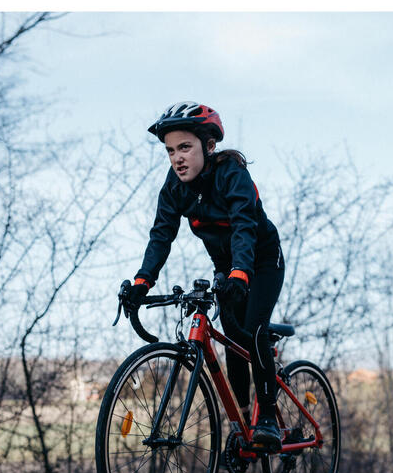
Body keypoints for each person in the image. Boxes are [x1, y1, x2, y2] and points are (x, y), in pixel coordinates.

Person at [122, 101, 285, 451]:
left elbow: (244, 226)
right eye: (170, 151)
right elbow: (161, 235)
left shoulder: (231, 175)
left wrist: (241, 272)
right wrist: (141, 282)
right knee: (233, 343)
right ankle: (242, 425)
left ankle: (268, 417)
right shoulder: (175, 186)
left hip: (262, 260)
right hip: (229, 269)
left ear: (208, 146)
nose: (177, 158)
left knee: (252, 330)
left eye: (185, 147)